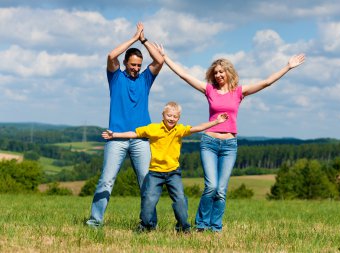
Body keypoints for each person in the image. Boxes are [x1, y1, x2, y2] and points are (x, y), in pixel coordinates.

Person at [154, 44, 305, 232]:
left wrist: (287, 66)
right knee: (211, 186)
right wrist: (165, 57)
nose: (218, 75)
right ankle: (201, 225)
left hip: (229, 145)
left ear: (228, 72)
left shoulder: (239, 92)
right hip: (209, 142)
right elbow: (184, 75)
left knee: (221, 190)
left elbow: (266, 82)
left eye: (221, 72)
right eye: (215, 73)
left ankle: (215, 227)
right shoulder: (210, 91)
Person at [101, 102, 229, 232]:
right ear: (163, 115)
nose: (171, 119)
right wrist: (115, 135)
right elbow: (134, 134)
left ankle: (183, 226)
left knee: (180, 200)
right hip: (155, 173)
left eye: (175, 116)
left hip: (173, 173)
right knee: (149, 200)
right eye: (169, 115)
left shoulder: (179, 130)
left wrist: (216, 122)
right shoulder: (153, 128)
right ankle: (146, 225)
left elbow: (197, 128)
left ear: (178, 118)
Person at [86, 22, 164, 227]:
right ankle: (95, 221)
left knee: (146, 183)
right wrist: (133, 38)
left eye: (139, 65)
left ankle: (149, 224)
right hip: (116, 138)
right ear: (126, 63)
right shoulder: (115, 77)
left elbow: (160, 60)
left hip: (141, 139)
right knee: (106, 180)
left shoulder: (146, 79)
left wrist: (144, 40)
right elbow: (111, 56)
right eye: (133, 64)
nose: (136, 68)